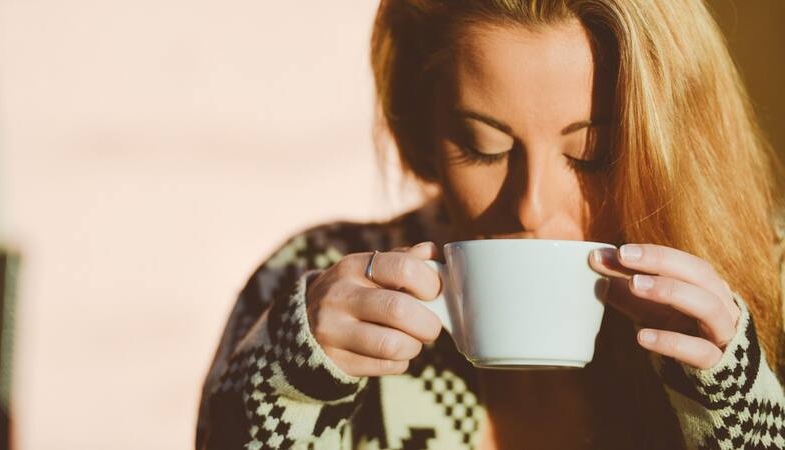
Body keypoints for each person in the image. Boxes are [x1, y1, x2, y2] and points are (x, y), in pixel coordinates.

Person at [196, 1, 785, 449]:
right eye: (484, 147)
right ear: (424, 133)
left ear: (673, 141)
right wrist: (287, 389)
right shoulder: (315, 279)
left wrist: (738, 411)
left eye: (592, 155)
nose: (530, 206)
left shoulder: (769, 281)